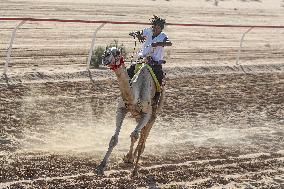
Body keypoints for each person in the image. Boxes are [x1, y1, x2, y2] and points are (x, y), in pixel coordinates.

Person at [128, 15, 172, 90]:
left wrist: (158, 43)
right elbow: (134, 33)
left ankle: (158, 93)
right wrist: (138, 36)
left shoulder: (163, 36)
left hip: (155, 62)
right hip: (142, 59)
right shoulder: (148, 31)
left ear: (161, 29)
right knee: (130, 70)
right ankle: (128, 89)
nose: (155, 29)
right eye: (154, 27)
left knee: (159, 75)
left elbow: (169, 43)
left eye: (158, 28)